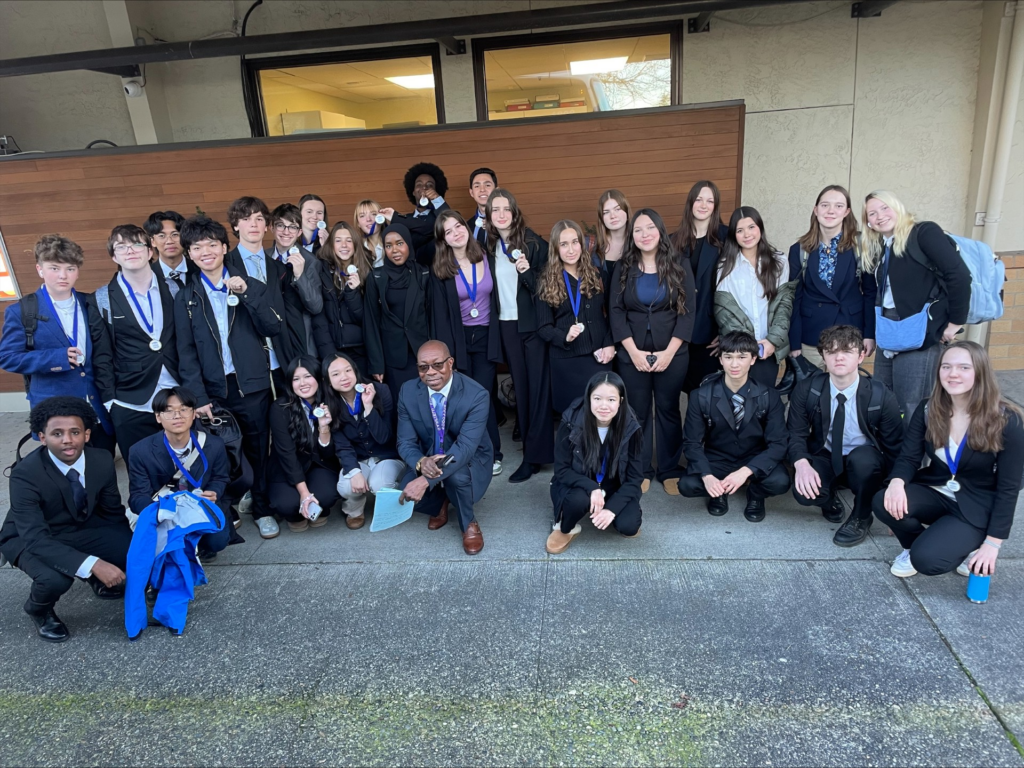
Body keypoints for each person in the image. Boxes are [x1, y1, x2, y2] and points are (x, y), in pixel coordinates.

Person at [874, 342, 1023, 579]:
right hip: (938, 490)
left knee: (928, 561)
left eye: (964, 367)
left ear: (980, 372)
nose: (953, 374)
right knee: (883, 501)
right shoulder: (929, 409)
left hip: (976, 504)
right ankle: (914, 546)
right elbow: (909, 456)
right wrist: (896, 483)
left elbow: (1009, 488)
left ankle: (969, 544)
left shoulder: (1007, 420)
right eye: (946, 367)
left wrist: (992, 545)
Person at [173, 215, 282, 540]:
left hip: (252, 384)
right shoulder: (186, 298)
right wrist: (198, 397)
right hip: (214, 391)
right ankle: (230, 505)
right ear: (190, 254)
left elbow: (272, 326)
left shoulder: (250, 283)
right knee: (222, 453)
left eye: (211, 244)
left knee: (258, 449)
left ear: (224, 247)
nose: (205, 251)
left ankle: (262, 508)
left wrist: (247, 293)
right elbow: (186, 351)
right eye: (197, 247)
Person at [0, 397, 133, 643]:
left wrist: (124, 553)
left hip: (78, 526)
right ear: (42, 437)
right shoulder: (25, 475)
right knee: (55, 579)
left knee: (131, 551)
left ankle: (93, 577)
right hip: (29, 536)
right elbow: (36, 539)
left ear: (87, 434)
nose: (67, 440)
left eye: (75, 432)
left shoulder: (101, 460)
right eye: (57, 433)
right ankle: (39, 609)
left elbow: (113, 513)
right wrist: (95, 564)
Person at [859, 190, 972, 419]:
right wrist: (870, 334)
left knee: (913, 407)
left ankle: (913, 456)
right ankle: (887, 454)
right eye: (872, 213)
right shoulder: (879, 247)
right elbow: (874, 297)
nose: (880, 216)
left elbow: (958, 275)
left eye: (885, 208)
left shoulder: (924, 233)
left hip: (921, 332)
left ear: (898, 208)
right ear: (868, 222)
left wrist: (954, 323)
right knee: (883, 402)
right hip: (888, 331)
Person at [787, 325, 904, 546]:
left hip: (864, 460)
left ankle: (861, 515)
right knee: (804, 493)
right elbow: (795, 433)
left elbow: (895, 447)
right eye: (831, 352)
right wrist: (801, 464)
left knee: (863, 459)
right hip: (826, 453)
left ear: (860, 356)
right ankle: (830, 501)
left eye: (847, 351)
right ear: (823, 356)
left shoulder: (880, 395)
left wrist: (893, 496)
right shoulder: (807, 389)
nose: (838, 358)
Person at [0, 234, 115, 454]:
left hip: (96, 408)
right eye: (54, 268)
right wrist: (56, 358)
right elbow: (7, 357)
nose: (63, 275)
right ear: (39, 269)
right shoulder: (22, 311)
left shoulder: (89, 303)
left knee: (103, 465)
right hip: (56, 412)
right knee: (66, 476)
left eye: (70, 269)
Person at [609, 208, 695, 494]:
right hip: (631, 353)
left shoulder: (679, 263)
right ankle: (640, 468)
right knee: (637, 412)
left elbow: (688, 313)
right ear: (632, 236)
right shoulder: (624, 267)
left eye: (650, 228)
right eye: (638, 230)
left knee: (669, 410)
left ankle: (670, 468)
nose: (645, 235)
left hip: (672, 352)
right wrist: (632, 351)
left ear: (660, 231)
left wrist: (670, 352)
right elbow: (616, 311)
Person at [679, 331, 790, 522]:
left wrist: (747, 471)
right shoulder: (700, 396)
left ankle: (755, 494)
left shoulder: (769, 396)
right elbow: (692, 443)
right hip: (717, 458)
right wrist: (707, 476)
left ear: (753, 359)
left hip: (754, 456)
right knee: (687, 485)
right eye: (728, 357)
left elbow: (778, 444)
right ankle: (718, 492)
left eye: (742, 357)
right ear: (720, 360)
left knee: (781, 481)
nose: (735, 364)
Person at [94, 224, 181, 466]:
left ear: (151, 251)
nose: (130, 251)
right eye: (122, 246)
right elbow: (102, 356)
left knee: (185, 467)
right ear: (113, 255)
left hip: (177, 395)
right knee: (143, 471)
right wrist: (111, 401)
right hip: (130, 400)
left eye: (137, 244)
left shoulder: (175, 289)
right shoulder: (102, 299)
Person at [396, 341, 492, 555]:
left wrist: (426, 480)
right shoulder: (408, 391)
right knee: (405, 488)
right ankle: (440, 502)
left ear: (450, 363)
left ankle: (469, 523)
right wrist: (422, 463)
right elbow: (405, 442)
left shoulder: (476, 395)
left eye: (437, 365)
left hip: (468, 457)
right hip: (429, 455)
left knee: (456, 478)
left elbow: (466, 448)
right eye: (423, 367)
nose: (430, 372)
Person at [485, 187, 553, 483]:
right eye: (494, 210)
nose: (501, 214)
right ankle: (532, 451)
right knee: (522, 390)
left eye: (505, 209)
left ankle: (534, 457)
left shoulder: (533, 243)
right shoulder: (490, 246)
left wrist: (526, 272)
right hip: (507, 325)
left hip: (532, 327)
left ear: (514, 212)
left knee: (536, 391)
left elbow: (548, 288)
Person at [430, 210, 504, 475]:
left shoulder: (486, 255)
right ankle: (467, 454)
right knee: (460, 400)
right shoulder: (440, 268)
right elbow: (440, 317)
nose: (455, 233)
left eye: (458, 226)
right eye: (448, 231)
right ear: (444, 240)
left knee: (483, 395)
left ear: (467, 227)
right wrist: (447, 356)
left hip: (486, 336)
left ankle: (493, 452)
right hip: (457, 340)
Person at [225, 196, 321, 393]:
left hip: (282, 360)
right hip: (245, 367)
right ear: (235, 226)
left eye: (259, 219)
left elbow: (293, 316)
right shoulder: (225, 265)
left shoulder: (279, 267)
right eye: (245, 218)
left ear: (266, 226)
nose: (253, 224)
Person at [127, 386, 231, 559]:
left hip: (198, 506)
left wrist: (214, 492)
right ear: (158, 417)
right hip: (164, 509)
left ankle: (199, 547)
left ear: (193, 413)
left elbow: (220, 477)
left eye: (183, 409)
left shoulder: (214, 444)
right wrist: (161, 515)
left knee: (217, 541)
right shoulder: (140, 451)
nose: (177, 416)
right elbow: (138, 495)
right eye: (169, 411)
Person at [546, 372, 644, 553]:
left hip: (615, 484)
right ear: (588, 398)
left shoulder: (631, 425)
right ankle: (566, 526)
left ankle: (604, 510)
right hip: (580, 483)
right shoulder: (571, 421)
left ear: (621, 401)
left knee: (629, 526)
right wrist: (592, 488)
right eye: (597, 398)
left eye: (611, 400)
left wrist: (612, 509)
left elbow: (635, 477)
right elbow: (562, 470)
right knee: (576, 501)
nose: (604, 406)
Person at [788, 185, 876, 372]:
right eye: (825, 205)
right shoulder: (799, 250)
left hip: (849, 335)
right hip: (811, 338)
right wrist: (794, 343)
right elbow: (794, 299)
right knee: (810, 396)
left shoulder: (861, 245)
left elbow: (870, 293)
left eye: (838, 206)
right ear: (816, 209)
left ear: (847, 212)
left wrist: (869, 334)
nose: (830, 211)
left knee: (845, 395)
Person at [536, 220, 614, 414]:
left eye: (574, 242)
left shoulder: (598, 275)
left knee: (601, 416)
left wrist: (610, 343)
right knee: (573, 420)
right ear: (555, 248)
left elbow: (614, 315)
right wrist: (564, 336)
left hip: (599, 357)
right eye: (563, 244)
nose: (570, 249)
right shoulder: (546, 281)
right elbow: (543, 327)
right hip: (566, 361)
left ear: (582, 244)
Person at [268, 356, 352, 532]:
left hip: (319, 464)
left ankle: (321, 510)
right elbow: (287, 454)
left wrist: (324, 428)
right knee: (286, 504)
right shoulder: (280, 408)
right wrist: (304, 493)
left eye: (307, 376)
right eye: (296, 379)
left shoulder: (330, 403)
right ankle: (295, 514)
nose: (302, 383)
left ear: (319, 379)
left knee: (326, 496)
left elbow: (329, 454)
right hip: (288, 467)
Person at [714, 206, 794, 389]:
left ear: (760, 228)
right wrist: (745, 349)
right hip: (739, 352)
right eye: (740, 230)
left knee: (764, 404)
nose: (747, 234)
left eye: (751, 227)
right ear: (734, 235)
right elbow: (725, 313)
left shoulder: (779, 261)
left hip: (768, 349)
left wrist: (773, 340)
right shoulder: (725, 266)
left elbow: (784, 306)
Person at [323, 352, 405, 529]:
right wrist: (354, 471)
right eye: (335, 374)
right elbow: (342, 445)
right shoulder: (329, 403)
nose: (344, 377)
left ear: (355, 371)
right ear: (328, 381)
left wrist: (368, 407)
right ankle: (355, 510)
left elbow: (385, 437)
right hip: (359, 458)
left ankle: (393, 499)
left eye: (348, 370)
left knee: (380, 484)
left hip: (386, 455)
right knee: (346, 485)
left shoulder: (380, 391)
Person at [364, 222, 433, 405]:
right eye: (388, 245)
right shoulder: (376, 277)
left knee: (427, 406)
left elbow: (432, 317)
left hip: (423, 354)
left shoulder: (424, 273)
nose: (394, 250)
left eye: (399, 243)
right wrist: (377, 364)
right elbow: (371, 322)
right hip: (393, 358)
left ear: (409, 244)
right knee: (401, 406)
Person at [671, 180, 727, 392]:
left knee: (708, 395)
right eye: (699, 199)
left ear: (716, 205)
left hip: (711, 334)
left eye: (710, 201)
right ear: (690, 203)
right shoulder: (673, 241)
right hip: (677, 332)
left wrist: (725, 331)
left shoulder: (727, 237)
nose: (703, 205)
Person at [313, 221, 369, 371]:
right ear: (331, 245)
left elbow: (365, 318)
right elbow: (319, 318)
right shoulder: (321, 270)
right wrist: (329, 355)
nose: (344, 245)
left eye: (349, 240)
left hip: (360, 350)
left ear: (356, 244)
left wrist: (352, 292)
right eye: (338, 240)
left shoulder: (366, 271)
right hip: (332, 349)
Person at [388, 162, 450, 265]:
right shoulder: (404, 220)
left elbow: (450, 222)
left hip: (439, 273)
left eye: (430, 185)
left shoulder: (440, 217)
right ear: (413, 191)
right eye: (419, 185)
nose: (424, 188)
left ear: (437, 191)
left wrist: (437, 200)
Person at [143, 210, 190, 297]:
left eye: (175, 234)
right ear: (152, 241)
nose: (169, 241)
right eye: (162, 236)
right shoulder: (146, 276)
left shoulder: (200, 270)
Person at [593, 189, 631, 274]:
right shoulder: (593, 246)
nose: (613, 216)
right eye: (606, 212)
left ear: (627, 212)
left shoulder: (638, 243)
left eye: (617, 209)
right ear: (601, 218)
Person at [466, 167, 497, 246]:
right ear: (471, 192)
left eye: (487, 185)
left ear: (496, 190)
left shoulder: (509, 222)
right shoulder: (466, 226)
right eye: (477, 186)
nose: (482, 189)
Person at [355, 199, 387, 268]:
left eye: (374, 214)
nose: (368, 219)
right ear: (358, 223)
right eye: (362, 215)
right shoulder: (355, 247)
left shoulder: (392, 243)